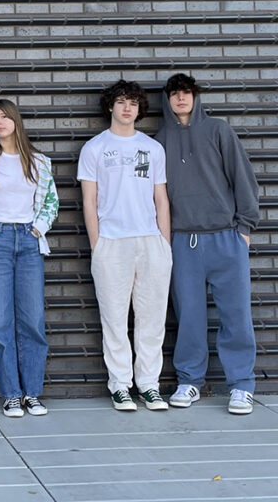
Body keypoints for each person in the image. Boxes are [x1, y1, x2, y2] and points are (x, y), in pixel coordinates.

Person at [156, 73, 260, 415]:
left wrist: (243, 228)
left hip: (226, 238)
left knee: (236, 315)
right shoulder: (159, 141)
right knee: (188, 317)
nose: (181, 98)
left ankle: (241, 385)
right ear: (167, 100)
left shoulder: (219, 130)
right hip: (184, 241)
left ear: (195, 97)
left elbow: (243, 179)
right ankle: (190, 381)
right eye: (175, 94)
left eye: (186, 92)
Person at [79, 79, 171, 412]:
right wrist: (97, 244)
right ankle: (120, 385)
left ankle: (149, 385)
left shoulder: (152, 148)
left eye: (132, 102)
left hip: (150, 243)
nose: (127, 107)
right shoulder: (94, 148)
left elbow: (160, 198)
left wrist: (165, 244)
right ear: (110, 107)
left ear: (139, 109)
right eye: (120, 101)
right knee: (115, 319)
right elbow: (89, 201)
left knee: (151, 318)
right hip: (111, 244)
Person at [0, 100, 58, 418]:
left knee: (32, 321)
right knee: (0, 322)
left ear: (16, 120)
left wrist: (38, 229)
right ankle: (11, 394)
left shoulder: (38, 161)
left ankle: (32, 393)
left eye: (4, 116)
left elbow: (51, 201)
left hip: (29, 242)